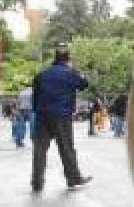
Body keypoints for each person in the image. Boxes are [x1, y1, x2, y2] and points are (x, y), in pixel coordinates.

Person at [31, 48, 92, 192]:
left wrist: (37, 110)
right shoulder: (70, 73)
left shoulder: (42, 74)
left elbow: (35, 95)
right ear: (68, 59)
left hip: (42, 115)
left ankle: (37, 182)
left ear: (55, 58)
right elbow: (84, 84)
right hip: (61, 116)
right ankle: (73, 178)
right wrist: (79, 73)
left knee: (40, 149)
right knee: (66, 148)